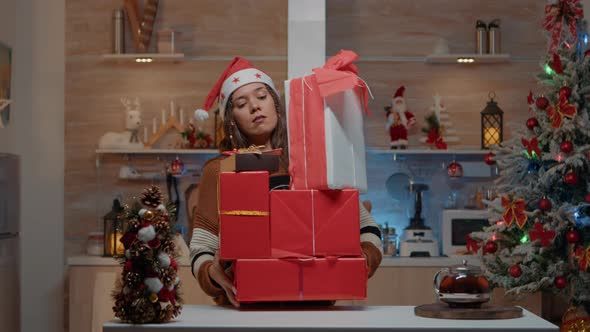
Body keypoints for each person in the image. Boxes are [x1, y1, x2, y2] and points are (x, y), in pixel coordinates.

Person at [189, 57, 383, 307]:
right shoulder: (218, 171)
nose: (255, 107)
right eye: (241, 103)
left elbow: (368, 229)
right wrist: (211, 273)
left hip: (314, 310)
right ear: (231, 119)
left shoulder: (311, 161)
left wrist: (359, 263)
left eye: (261, 96)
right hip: (246, 312)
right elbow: (201, 247)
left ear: (277, 106)